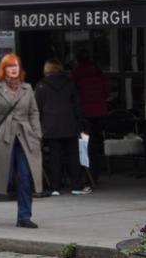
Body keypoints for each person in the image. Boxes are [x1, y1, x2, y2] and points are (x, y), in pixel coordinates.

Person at [0, 54, 43, 230]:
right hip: (4, 136)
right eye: (10, 66)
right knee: (4, 176)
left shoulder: (27, 88)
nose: (14, 68)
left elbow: (34, 112)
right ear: (4, 69)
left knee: (25, 176)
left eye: (16, 65)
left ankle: (24, 216)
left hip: (25, 136)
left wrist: (37, 133)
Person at [36, 59, 84, 196]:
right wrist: (80, 123)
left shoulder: (41, 85)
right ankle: (76, 185)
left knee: (54, 157)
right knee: (73, 156)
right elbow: (77, 106)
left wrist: (38, 127)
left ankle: (55, 187)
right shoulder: (70, 84)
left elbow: (37, 108)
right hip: (70, 124)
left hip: (50, 125)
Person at [72, 54, 108, 188]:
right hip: (99, 113)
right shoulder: (99, 73)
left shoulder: (77, 73)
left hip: (85, 115)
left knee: (84, 145)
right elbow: (106, 92)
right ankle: (95, 174)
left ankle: (86, 175)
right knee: (96, 146)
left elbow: (74, 95)